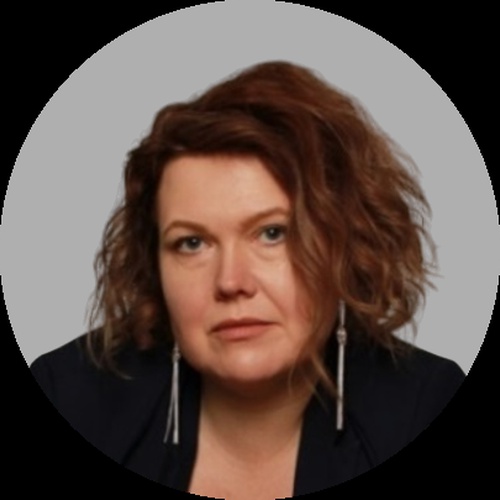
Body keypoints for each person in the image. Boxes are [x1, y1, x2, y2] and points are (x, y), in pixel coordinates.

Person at [30, 60, 465, 498]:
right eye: (192, 243)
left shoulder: (425, 408)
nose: (231, 282)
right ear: (154, 267)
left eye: (272, 233)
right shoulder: (67, 398)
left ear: (346, 246)